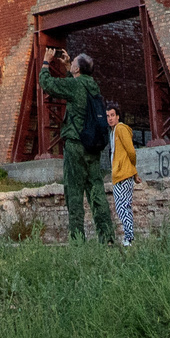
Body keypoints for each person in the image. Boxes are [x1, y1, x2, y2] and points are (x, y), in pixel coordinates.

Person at [37, 45, 117, 244]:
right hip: (93, 147)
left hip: (75, 145)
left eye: (72, 63)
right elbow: (77, 89)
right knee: (96, 191)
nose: (70, 62)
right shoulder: (93, 86)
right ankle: (106, 238)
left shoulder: (75, 85)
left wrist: (46, 61)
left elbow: (47, 84)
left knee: (74, 194)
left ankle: (78, 242)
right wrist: (67, 68)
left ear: (78, 70)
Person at [105, 104, 138, 247]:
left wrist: (131, 168)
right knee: (124, 206)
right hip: (121, 174)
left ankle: (129, 237)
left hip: (122, 174)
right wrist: (134, 172)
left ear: (118, 116)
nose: (110, 118)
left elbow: (131, 151)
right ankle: (129, 237)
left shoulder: (121, 129)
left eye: (112, 115)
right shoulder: (113, 132)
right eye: (108, 116)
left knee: (121, 207)